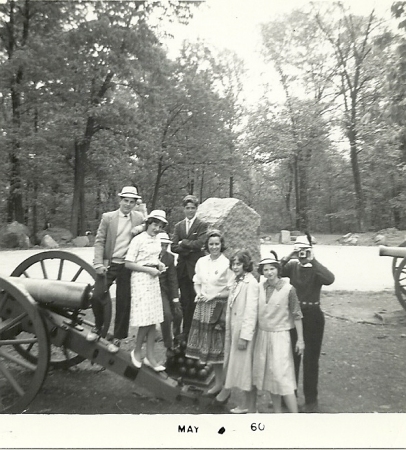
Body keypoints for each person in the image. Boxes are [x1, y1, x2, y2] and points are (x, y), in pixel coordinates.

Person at [280, 234, 335, 412]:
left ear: (310, 250)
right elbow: (274, 271)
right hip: (294, 315)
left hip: (313, 316)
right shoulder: (292, 267)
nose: (302, 254)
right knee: (292, 358)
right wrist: (289, 256)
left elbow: (330, 279)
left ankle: (311, 401)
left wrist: (314, 260)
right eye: (299, 250)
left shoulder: (316, 270)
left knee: (311, 360)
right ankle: (290, 397)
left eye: (305, 250)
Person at [88, 186, 145, 352]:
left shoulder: (139, 217)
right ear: (120, 200)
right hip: (109, 264)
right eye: (125, 200)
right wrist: (98, 263)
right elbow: (99, 241)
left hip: (127, 265)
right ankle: (98, 327)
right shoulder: (108, 218)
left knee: (123, 301)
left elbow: (150, 225)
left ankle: (118, 337)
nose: (128, 204)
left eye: (132, 202)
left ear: (135, 203)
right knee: (97, 295)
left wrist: (140, 228)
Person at [253, 253, 304, 413]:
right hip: (263, 335)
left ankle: (295, 415)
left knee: (283, 377)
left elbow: (297, 315)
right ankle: (277, 414)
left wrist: (300, 340)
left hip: (280, 336)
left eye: (272, 269)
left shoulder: (289, 289)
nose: (269, 273)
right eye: (266, 269)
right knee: (270, 376)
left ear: (278, 269)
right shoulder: (260, 287)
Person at [185, 230, 234, 395]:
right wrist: (198, 293)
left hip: (218, 309)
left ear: (222, 245)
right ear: (207, 245)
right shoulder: (201, 261)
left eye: (217, 244)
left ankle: (222, 385)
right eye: (211, 244)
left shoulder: (227, 263)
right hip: (203, 307)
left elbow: (231, 289)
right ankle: (218, 383)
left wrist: (215, 295)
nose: (214, 247)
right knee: (208, 350)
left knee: (217, 350)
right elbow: (196, 282)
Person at [215, 250, 258, 414]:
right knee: (237, 367)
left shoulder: (251, 283)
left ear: (245, 265)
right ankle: (244, 403)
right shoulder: (236, 281)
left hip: (243, 332)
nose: (235, 267)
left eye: (239, 264)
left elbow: (251, 311)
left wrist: (244, 337)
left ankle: (247, 405)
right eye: (233, 264)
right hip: (233, 329)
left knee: (245, 369)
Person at [125, 210, 168, 371]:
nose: (157, 228)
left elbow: (153, 258)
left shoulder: (157, 240)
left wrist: (159, 264)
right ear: (148, 223)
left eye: (160, 226)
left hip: (153, 280)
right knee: (145, 320)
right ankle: (136, 352)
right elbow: (128, 263)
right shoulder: (138, 240)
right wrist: (148, 270)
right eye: (155, 224)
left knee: (153, 319)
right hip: (140, 279)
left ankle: (150, 357)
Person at [171, 195, 208, 336]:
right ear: (183, 209)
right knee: (183, 301)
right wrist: (188, 247)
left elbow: (200, 244)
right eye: (187, 208)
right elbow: (173, 247)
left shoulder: (201, 225)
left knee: (194, 300)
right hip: (182, 269)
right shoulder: (178, 226)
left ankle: (190, 331)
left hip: (195, 268)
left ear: (196, 209)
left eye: (193, 208)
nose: (190, 211)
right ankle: (180, 332)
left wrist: (184, 243)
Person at [157, 232, 183, 354]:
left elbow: (173, 279)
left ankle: (176, 335)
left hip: (166, 289)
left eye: (165, 245)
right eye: (160, 245)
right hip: (154, 290)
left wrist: (175, 298)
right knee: (166, 315)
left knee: (178, 313)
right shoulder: (149, 256)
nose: (162, 248)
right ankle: (168, 344)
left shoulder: (169, 258)